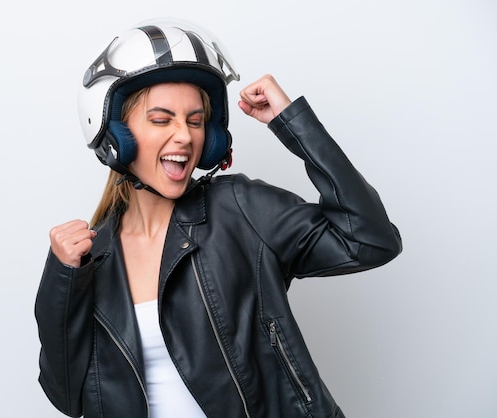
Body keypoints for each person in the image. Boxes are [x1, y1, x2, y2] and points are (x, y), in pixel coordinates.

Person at [35, 18, 402, 418]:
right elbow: (66, 396)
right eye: (162, 120)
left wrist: (294, 124)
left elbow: (370, 240)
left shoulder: (240, 208)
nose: (185, 136)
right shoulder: (90, 259)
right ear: (116, 138)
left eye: (195, 121)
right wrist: (63, 280)